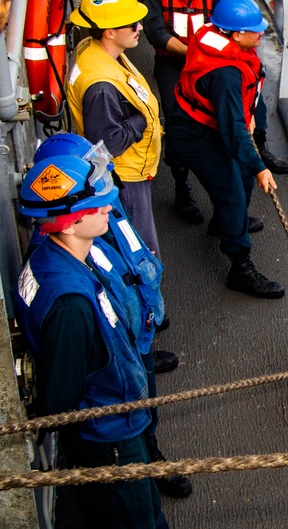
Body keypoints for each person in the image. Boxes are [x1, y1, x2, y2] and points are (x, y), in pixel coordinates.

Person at [29, 134, 193, 499]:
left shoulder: (91, 218)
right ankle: (146, 456)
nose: (107, 193)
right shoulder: (68, 269)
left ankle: (147, 449)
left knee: (146, 408)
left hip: (135, 338)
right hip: (110, 412)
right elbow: (69, 375)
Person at [169, 0, 285, 299]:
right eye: (255, 30)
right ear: (235, 35)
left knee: (241, 178)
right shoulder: (225, 74)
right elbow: (232, 129)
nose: (261, 33)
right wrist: (260, 167)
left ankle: (225, 223)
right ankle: (239, 266)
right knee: (233, 191)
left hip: (204, 124)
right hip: (196, 135)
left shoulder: (215, 39)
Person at [66, 0, 163, 261]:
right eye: (132, 24)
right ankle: (148, 302)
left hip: (125, 171)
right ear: (109, 32)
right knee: (139, 248)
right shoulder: (101, 86)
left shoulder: (92, 49)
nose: (140, 28)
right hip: (124, 176)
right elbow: (108, 143)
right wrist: (141, 121)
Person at [143, 0, 226, 224]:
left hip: (205, 64)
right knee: (177, 123)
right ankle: (182, 187)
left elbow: (224, 26)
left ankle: (224, 202)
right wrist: (193, 52)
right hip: (172, 65)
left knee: (217, 123)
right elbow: (155, 32)